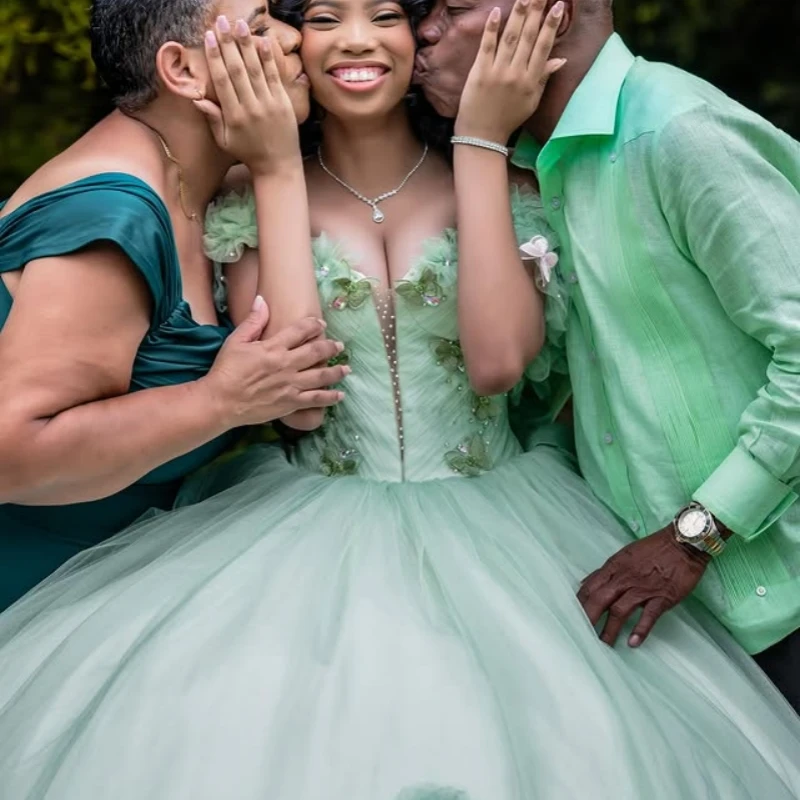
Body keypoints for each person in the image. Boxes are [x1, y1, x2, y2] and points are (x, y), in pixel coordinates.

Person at [1, 0, 800, 797]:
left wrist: (481, 141)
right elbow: (301, 403)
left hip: (511, 527)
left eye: (384, 14)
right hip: (302, 535)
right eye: (321, 18)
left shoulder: (517, 178)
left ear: (415, 42)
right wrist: (277, 170)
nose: (355, 39)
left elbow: (497, 364)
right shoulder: (243, 201)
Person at [414, 0, 800, 711]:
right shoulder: (528, 171)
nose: (424, 30)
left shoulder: (679, 131)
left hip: (780, 600)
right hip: (672, 633)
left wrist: (693, 537)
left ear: (551, 15)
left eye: (455, 7)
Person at [0, 0, 348, 609]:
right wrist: (221, 401)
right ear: (182, 71)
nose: (294, 37)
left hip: (116, 578)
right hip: (32, 596)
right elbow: (11, 454)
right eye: (260, 26)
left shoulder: (204, 183)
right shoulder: (111, 215)